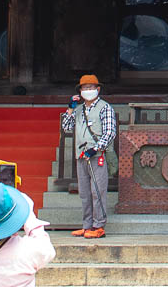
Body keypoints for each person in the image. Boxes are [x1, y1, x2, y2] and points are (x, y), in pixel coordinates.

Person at [59, 74, 115, 238]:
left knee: (97, 191)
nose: (88, 90)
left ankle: (99, 226)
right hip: (81, 155)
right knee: (84, 193)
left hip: (97, 155)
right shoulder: (78, 109)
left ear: (98, 89)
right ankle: (87, 225)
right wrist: (70, 107)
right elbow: (67, 127)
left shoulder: (105, 107)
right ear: (80, 91)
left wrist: (96, 148)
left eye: (91, 88)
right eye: (85, 88)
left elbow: (110, 132)